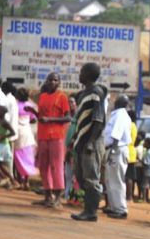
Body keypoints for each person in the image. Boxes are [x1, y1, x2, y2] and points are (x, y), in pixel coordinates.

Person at [71, 63, 107, 222]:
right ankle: (88, 209)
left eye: (81, 72)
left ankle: (91, 212)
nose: (79, 74)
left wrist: (91, 142)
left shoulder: (96, 92)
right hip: (81, 141)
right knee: (81, 176)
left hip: (91, 142)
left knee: (91, 178)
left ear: (87, 74)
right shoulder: (84, 93)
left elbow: (98, 120)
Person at [35, 73, 72, 207]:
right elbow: (42, 115)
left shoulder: (62, 97)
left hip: (56, 136)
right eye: (50, 79)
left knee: (56, 166)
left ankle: (57, 198)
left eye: (55, 80)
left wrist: (50, 120)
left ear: (59, 83)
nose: (52, 82)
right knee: (43, 165)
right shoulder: (43, 96)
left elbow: (68, 118)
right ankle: (47, 195)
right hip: (42, 135)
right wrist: (34, 115)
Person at [102, 95, 132, 219]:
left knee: (117, 180)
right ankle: (114, 207)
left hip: (117, 149)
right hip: (114, 149)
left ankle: (120, 209)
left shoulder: (121, 115)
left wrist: (113, 151)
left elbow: (117, 134)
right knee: (110, 179)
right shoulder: (118, 114)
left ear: (120, 103)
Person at [13, 88, 39, 190]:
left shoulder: (15, 105)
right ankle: (26, 182)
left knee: (18, 158)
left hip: (18, 132)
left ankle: (20, 181)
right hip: (27, 132)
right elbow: (33, 119)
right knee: (28, 157)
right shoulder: (30, 106)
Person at [0, 105, 17, 188]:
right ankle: (9, 181)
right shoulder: (0, 121)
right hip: (0, 145)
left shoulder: (5, 122)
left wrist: (3, 136)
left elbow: (13, 132)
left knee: (1, 164)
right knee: (1, 165)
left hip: (3, 145)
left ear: (2, 113)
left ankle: (8, 180)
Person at [125, 109, 138, 201]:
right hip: (132, 152)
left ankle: (128, 196)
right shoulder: (134, 126)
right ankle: (130, 196)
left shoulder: (129, 125)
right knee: (130, 177)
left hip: (127, 152)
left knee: (127, 177)